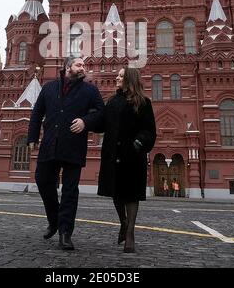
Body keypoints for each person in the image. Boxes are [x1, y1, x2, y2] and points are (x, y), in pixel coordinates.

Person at [27, 56, 104, 251]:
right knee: (43, 181)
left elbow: (101, 113)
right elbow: (37, 113)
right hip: (50, 143)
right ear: (68, 67)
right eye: (79, 64)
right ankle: (54, 220)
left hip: (73, 146)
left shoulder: (90, 90)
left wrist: (86, 121)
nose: (83, 67)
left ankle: (65, 233)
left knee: (70, 191)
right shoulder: (49, 88)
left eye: (84, 65)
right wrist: (32, 137)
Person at [97, 66, 156, 253]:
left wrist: (137, 144)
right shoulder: (112, 101)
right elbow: (101, 124)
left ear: (130, 79)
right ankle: (123, 222)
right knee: (116, 192)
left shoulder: (143, 102)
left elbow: (149, 130)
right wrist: (84, 120)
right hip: (113, 155)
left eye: (121, 76)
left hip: (132, 156)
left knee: (131, 194)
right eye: (117, 75)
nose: (116, 77)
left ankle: (130, 232)